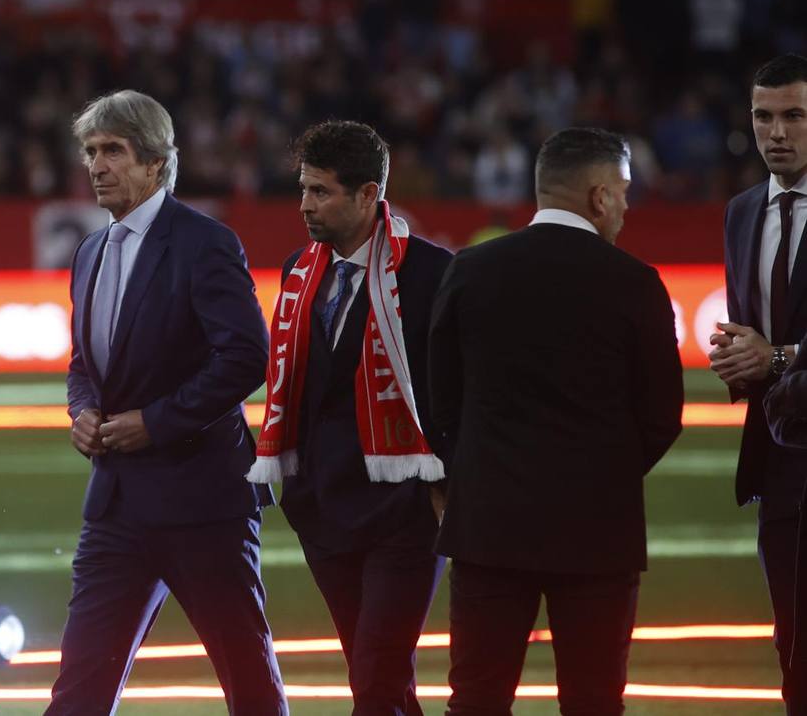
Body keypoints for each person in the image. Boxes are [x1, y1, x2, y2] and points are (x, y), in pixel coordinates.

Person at [427, 127, 684, 715]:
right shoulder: (636, 283)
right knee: (594, 701)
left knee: (476, 699)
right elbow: (661, 416)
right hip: (599, 528)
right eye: (621, 191)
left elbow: (440, 398)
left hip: (488, 523)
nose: (625, 205)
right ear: (597, 197)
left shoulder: (471, 269)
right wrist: (607, 471)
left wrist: (477, 466)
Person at [46, 90, 286, 716]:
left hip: (202, 502)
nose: (97, 165)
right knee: (77, 690)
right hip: (115, 507)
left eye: (114, 151)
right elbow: (84, 365)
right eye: (91, 151)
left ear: (156, 163)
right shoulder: (90, 251)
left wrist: (154, 424)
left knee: (247, 683)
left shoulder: (205, 242)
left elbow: (243, 358)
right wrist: (82, 412)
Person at [246, 120, 450, 715]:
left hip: (404, 513)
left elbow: (459, 388)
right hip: (324, 510)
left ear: (368, 196)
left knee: (376, 682)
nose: (304, 205)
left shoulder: (432, 274)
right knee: (382, 682)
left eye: (321, 192)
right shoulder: (298, 271)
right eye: (304, 189)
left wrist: (448, 483)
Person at [717, 53, 807, 714]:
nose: (777, 131)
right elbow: (748, 329)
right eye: (764, 116)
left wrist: (776, 358)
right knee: (792, 641)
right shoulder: (742, 211)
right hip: (778, 455)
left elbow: (774, 350)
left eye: (795, 116)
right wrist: (737, 360)